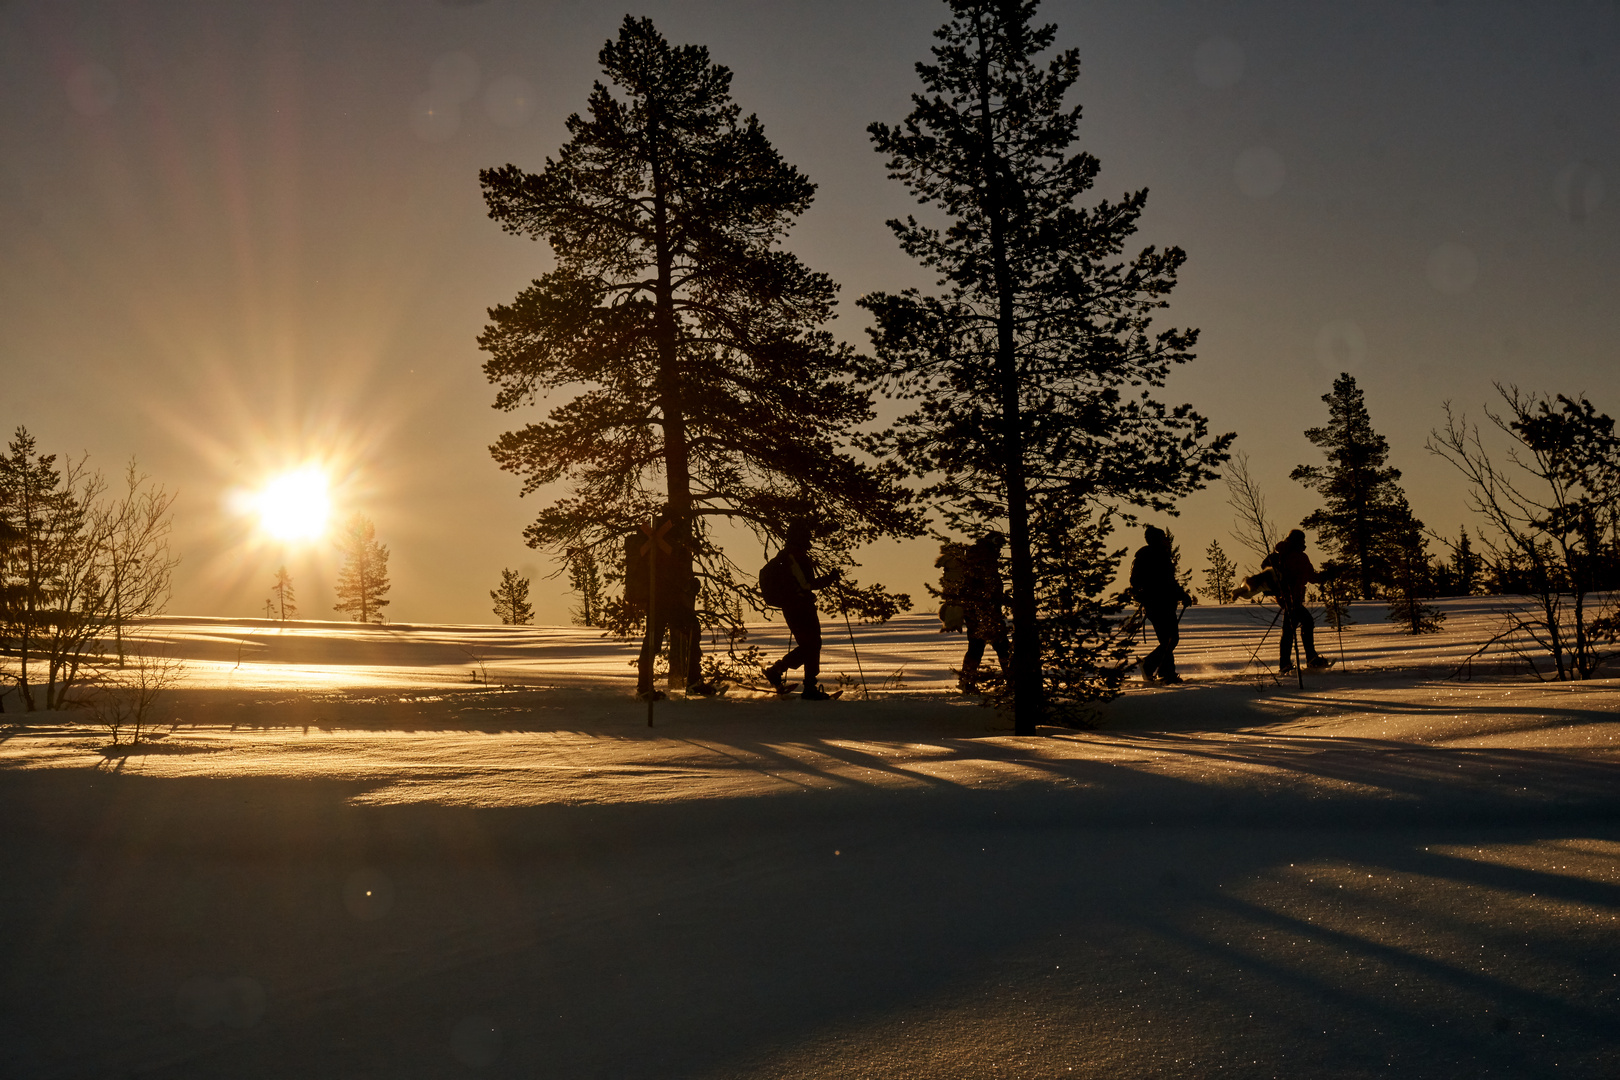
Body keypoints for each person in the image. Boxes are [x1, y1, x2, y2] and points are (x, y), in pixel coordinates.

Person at [628, 513, 716, 701]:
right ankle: (691, 681)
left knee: (653, 641)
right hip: (665, 600)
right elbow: (673, 575)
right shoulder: (668, 543)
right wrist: (688, 586)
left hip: (658, 600)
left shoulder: (657, 542)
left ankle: (645, 686)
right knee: (683, 632)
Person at [761, 521, 840, 700]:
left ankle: (791, 677)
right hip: (801, 607)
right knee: (812, 645)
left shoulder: (785, 556)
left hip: (791, 607)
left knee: (810, 645)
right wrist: (830, 579)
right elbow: (806, 584)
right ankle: (801, 683)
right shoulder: (797, 556)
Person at [1129, 525, 1194, 683]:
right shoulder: (1155, 556)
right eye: (1164, 537)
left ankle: (1166, 673)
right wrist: (1182, 595)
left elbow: (1167, 583)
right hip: (1159, 603)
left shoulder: (1151, 556)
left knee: (1167, 639)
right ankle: (1149, 665)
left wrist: (1181, 595)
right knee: (1171, 639)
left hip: (1158, 603)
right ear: (1158, 540)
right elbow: (1167, 582)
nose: (1167, 540)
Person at [1265, 529, 1333, 674]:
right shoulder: (1297, 557)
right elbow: (1311, 577)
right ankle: (1309, 659)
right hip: (1293, 598)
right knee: (1304, 623)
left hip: (1286, 598)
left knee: (1290, 629)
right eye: (1302, 540)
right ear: (1297, 541)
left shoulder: (1281, 555)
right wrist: (1326, 576)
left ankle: (1287, 663)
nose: (1304, 543)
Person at [952, 532, 1011, 693]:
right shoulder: (984, 560)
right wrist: (995, 601)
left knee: (977, 646)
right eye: (998, 543)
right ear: (991, 543)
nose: (1000, 548)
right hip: (984, 612)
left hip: (977, 611)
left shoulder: (979, 558)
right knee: (1002, 647)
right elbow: (986, 588)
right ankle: (1012, 682)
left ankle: (967, 682)